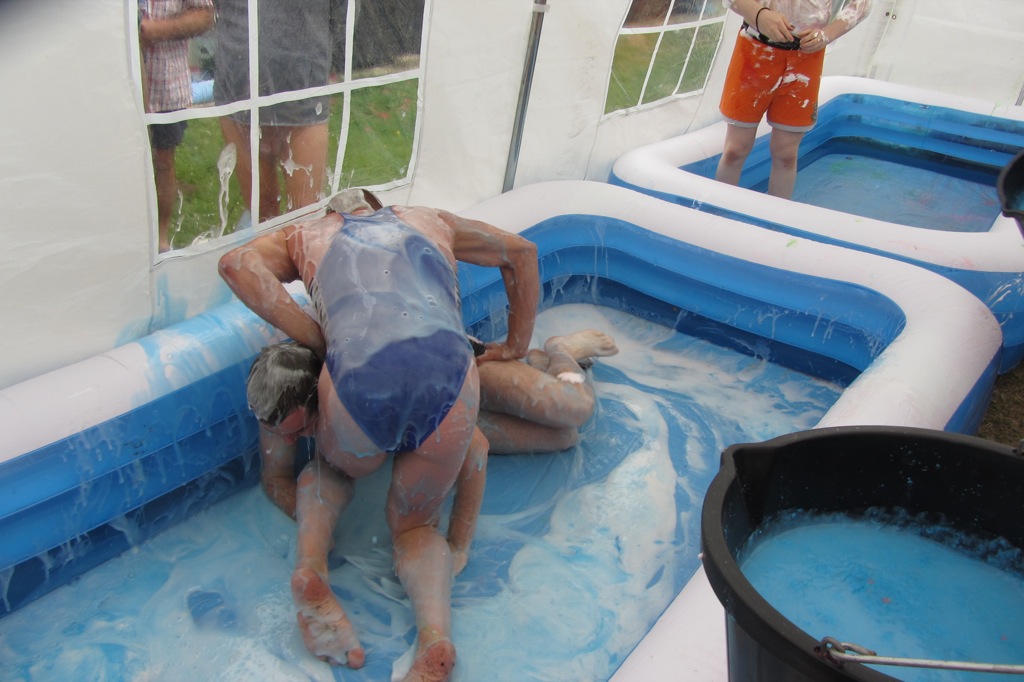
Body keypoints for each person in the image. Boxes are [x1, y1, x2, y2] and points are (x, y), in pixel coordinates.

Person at [218, 188, 540, 680]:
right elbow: (523, 251)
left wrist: (319, 337)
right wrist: (516, 345)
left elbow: (236, 264)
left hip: (358, 382)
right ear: (380, 206)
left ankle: (311, 566)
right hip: (451, 376)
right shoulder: (431, 219)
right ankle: (435, 635)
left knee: (331, 471)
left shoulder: (306, 233)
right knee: (414, 526)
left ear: (330, 213)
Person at [715, 0, 872, 199]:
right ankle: (715, 212)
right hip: (754, 49)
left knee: (786, 154)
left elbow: (862, 5)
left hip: (806, 58)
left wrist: (827, 34)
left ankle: (776, 217)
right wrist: (759, 14)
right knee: (735, 150)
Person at [214, 0, 339, 223]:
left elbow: (343, 13)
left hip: (304, 87)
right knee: (261, 215)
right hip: (238, 85)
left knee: (305, 218)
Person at [138, 0, 215, 252]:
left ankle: (160, 241)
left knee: (162, 162)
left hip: (165, 84)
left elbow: (205, 16)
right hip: (111, 85)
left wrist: (153, 31)